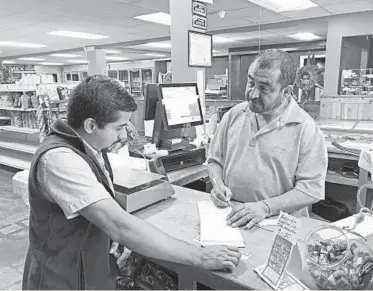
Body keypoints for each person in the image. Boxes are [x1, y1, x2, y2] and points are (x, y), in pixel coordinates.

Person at [23, 75, 241, 290]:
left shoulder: (90, 146)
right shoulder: (59, 159)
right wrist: (200, 256)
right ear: (90, 125)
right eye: (118, 128)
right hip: (61, 277)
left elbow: (103, 199)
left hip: (89, 269)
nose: (123, 135)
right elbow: (117, 224)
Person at [207, 49, 328, 229]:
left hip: (278, 224)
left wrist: (265, 207)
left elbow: (311, 190)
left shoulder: (305, 129)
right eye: (250, 82)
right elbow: (214, 161)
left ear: (286, 91)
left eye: (264, 88)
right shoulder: (234, 115)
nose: (253, 93)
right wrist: (218, 185)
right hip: (231, 215)